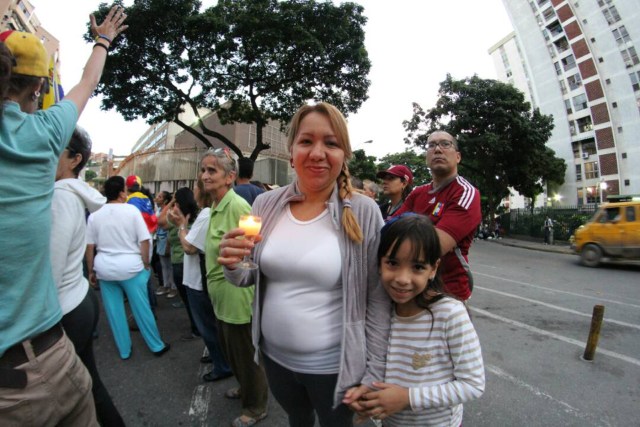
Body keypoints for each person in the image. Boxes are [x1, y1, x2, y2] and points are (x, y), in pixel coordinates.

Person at [218, 102, 391, 427]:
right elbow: (247, 276)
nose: (317, 153)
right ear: (292, 149)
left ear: (344, 153)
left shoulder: (364, 211)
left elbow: (378, 298)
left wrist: (375, 372)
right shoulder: (266, 203)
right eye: (307, 141)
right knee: (297, 419)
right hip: (274, 359)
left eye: (331, 143)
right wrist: (231, 262)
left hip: (335, 369)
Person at [0, 6, 126, 425]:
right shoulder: (39, 135)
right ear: (39, 85)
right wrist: (103, 40)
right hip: (48, 354)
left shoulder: (62, 184)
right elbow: (87, 82)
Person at [355, 214, 485, 426]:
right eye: (392, 263)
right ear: (378, 264)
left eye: (418, 267)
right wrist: (367, 398)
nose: (402, 279)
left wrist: (407, 398)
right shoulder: (379, 313)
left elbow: (472, 384)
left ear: (433, 269)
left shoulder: (450, 314)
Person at [51, 127, 126, 426]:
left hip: (68, 306)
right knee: (89, 384)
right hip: (80, 296)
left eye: (53, 148)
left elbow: (51, 270)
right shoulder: (67, 195)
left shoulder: (61, 198)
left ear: (75, 160)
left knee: (78, 390)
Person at [200, 148, 269, 427]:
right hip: (220, 292)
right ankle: (245, 388)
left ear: (230, 177)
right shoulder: (217, 205)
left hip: (236, 294)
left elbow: (251, 255)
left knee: (245, 353)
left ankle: (256, 407)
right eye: (203, 170)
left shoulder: (237, 206)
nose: (205, 175)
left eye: (211, 171)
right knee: (232, 351)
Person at [86, 176, 169, 360]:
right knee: (142, 308)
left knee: (114, 312)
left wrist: (91, 270)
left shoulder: (94, 216)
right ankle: (156, 345)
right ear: (122, 192)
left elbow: (90, 247)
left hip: (105, 269)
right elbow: (144, 240)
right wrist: (146, 264)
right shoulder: (131, 211)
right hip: (131, 268)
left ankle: (124, 350)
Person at [393, 131, 481, 301]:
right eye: (431, 145)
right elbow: (389, 228)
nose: (438, 149)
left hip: (448, 293)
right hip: (410, 289)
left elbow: (434, 246)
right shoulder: (418, 193)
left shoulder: (465, 192)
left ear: (458, 157)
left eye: (445, 144)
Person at [170, 179, 233, 382]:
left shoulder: (206, 214)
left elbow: (189, 247)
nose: (195, 189)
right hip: (197, 277)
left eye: (196, 186)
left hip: (198, 279)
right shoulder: (206, 212)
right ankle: (219, 359)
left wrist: (181, 226)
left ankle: (222, 365)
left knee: (207, 326)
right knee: (209, 325)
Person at [154, 190, 176, 297]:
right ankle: (166, 285)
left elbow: (167, 228)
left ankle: (173, 287)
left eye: (160, 196)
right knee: (164, 265)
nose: (157, 198)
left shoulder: (169, 211)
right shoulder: (159, 209)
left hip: (166, 239)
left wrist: (168, 243)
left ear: (166, 200)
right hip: (159, 238)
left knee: (170, 265)